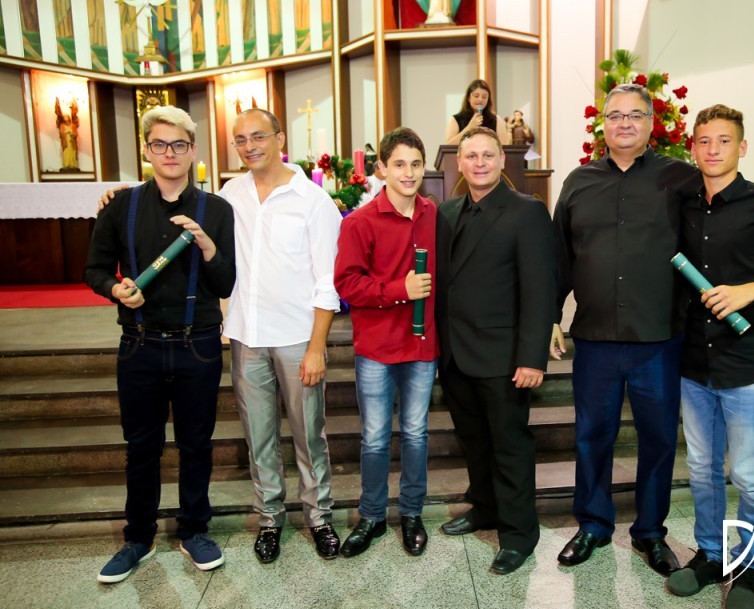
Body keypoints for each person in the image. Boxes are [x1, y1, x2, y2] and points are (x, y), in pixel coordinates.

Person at [551, 84, 754, 574]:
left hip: (660, 339)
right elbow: (559, 256)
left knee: (659, 441)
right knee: (591, 435)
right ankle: (593, 524)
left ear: (650, 123)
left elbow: (730, 194)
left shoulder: (682, 177)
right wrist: (551, 316)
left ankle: (649, 531)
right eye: (615, 115)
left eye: (635, 115)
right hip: (595, 337)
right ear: (602, 124)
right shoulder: (578, 181)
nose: (624, 123)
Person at [665, 105, 754, 609]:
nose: (713, 150)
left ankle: (749, 568)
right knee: (702, 469)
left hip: (748, 362)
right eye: (704, 141)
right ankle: (710, 555)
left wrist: (752, 290)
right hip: (694, 362)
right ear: (693, 148)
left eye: (724, 141)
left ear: (742, 147)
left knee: (749, 475)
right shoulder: (683, 202)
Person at [86, 106, 236, 583]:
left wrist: (209, 248)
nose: (169, 153)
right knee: (141, 447)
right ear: (147, 151)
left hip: (198, 344)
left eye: (179, 144)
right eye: (159, 144)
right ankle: (139, 538)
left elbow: (226, 281)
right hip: (140, 344)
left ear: (193, 150)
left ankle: (194, 531)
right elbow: (94, 269)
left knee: (196, 444)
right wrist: (115, 289)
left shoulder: (217, 210)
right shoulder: (120, 206)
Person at [219, 108, 343, 564]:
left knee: (309, 435)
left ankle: (319, 517)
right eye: (240, 139)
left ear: (279, 138)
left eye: (258, 136)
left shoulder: (313, 200)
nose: (249, 146)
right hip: (247, 336)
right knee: (259, 436)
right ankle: (270, 518)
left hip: (297, 338)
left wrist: (317, 347)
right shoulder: (229, 195)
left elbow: (327, 280)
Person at [436, 126, 557, 574]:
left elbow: (539, 288)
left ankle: (519, 533)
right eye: (472, 156)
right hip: (456, 353)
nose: (480, 163)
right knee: (473, 441)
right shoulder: (447, 211)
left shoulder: (527, 211)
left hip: (504, 355)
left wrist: (531, 357)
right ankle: (484, 508)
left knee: (509, 446)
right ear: (460, 163)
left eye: (488, 155)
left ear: (502, 160)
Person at [334, 127, 439, 558]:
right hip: (377, 347)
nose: (408, 173)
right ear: (381, 168)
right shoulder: (360, 222)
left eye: (415, 164)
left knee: (416, 434)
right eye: (399, 164)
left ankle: (412, 512)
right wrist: (401, 290)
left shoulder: (434, 215)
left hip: (422, 347)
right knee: (375, 438)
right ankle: (372, 516)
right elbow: (347, 285)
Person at [444, 79, 510, 146]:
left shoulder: (496, 120)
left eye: (484, 97)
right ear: (468, 98)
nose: (480, 100)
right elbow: (449, 145)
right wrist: (469, 127)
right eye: (476, 96)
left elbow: (504, 146)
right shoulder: (456, 119)